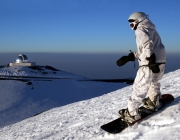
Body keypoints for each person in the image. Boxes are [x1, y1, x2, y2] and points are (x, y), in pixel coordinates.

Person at [116, 12, 166, 124]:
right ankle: (154, 101)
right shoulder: (151, 29)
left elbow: (147, 45)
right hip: (160, 60)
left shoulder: (141, 30)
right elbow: (146, 48)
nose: (131, 27)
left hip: (149, 63)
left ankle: (132, 114)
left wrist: (149, 60)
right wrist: (131, 57)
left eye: (132, 24)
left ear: (137, 21)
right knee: (154, 81)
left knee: (140, 87)